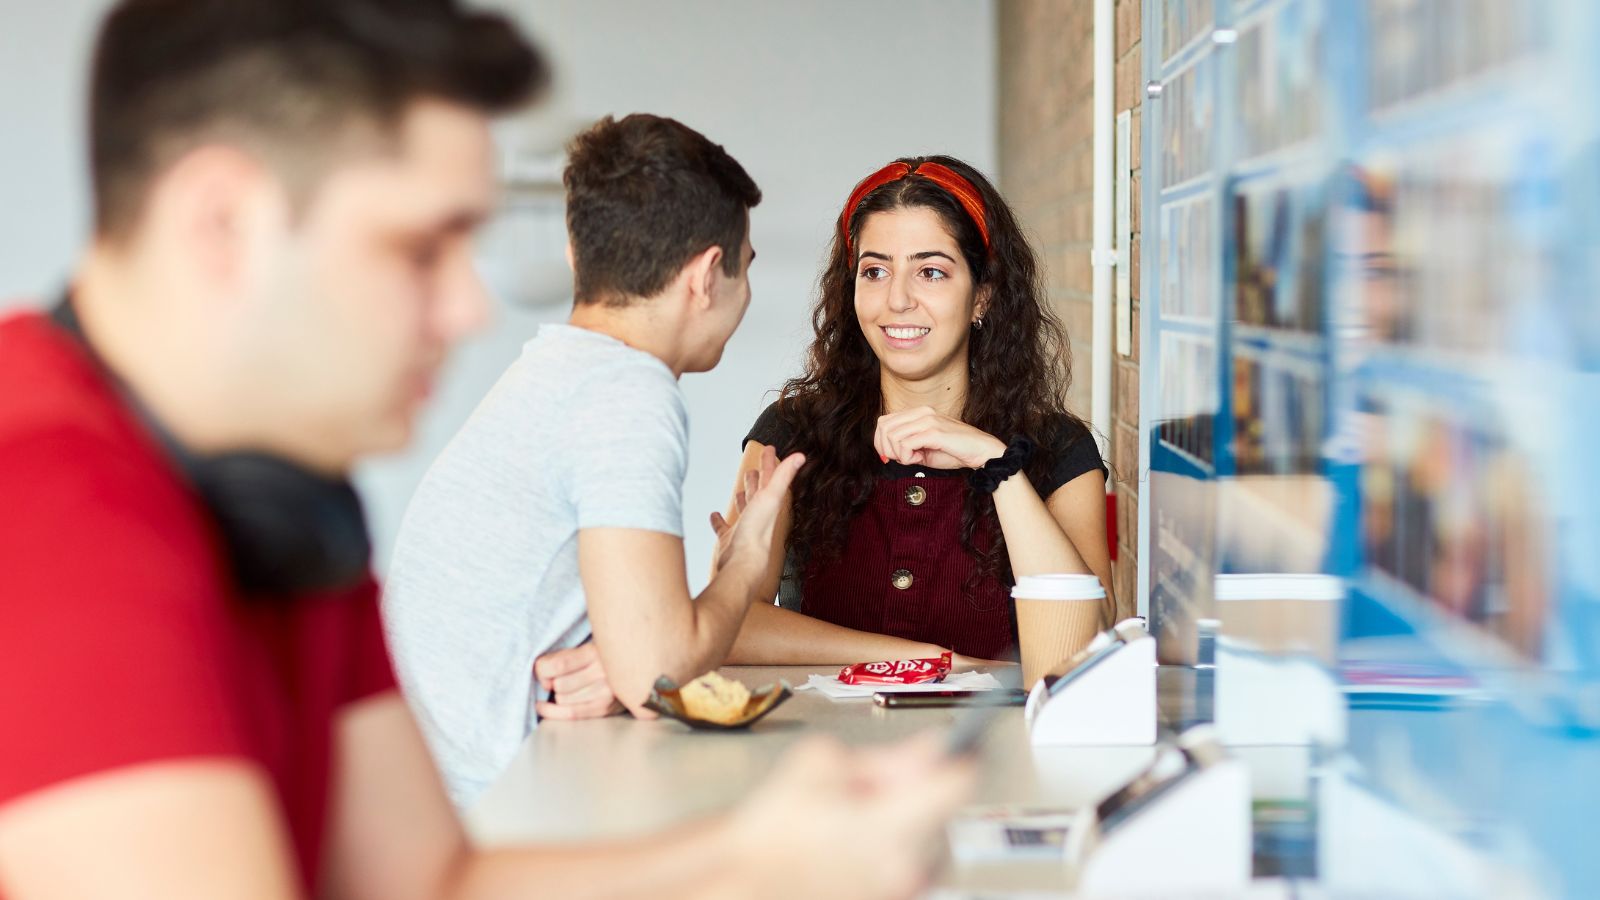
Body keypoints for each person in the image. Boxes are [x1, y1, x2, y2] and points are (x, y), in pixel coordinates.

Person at [0, 4, 969, 898]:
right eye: (421, 248)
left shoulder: (290, 499)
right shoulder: (49, 502)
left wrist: (755, 856)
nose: (468, 309)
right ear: (223, 222)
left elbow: (428, 878)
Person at [382, 113, 813, 808]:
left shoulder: (560, 371)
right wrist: (745, 560)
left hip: (438, 798)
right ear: (706, 275)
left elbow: (634, 657)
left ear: (576, 256)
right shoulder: (627, 392)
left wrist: (624, 657)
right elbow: (658, 679)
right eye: (745, 269)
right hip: (482, 821)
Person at [723, 156, 1113, 665]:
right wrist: (930, 661)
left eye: (930, 272)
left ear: (982, 297)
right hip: (827, 743)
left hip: (998, 744)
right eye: (875, 271)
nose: (897, 299)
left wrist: (996, 464)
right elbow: (724, 629)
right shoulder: (791, 435)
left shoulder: (1055, 448)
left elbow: (1092, 650)